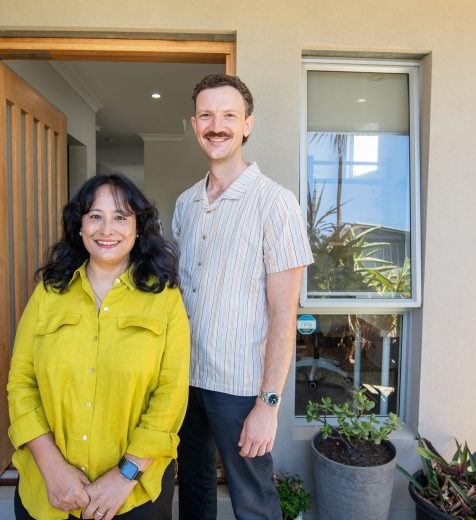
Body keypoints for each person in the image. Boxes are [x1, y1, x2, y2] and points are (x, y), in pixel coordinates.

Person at [8, 174, 190, 520]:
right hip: (49, 493)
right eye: (95, 216)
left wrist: (125, 476)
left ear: (139, 228)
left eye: (121, 217)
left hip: (133, 496)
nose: (107, 229)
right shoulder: (48, 294)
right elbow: (21, 383)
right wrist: (52, 468)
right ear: (79, 227)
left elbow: (171, 396)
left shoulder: (164, 299)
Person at [173, 74, 313, 519]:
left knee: (252, 499)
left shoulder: (276, 203)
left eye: (229, 115)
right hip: (183, 379)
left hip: (239, 386)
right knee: (192, 484)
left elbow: (283, 313)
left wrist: (268, 405)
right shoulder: (185, 204)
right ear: (194, 125)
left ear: (247, 125)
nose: (217, 125)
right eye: (207, 115)